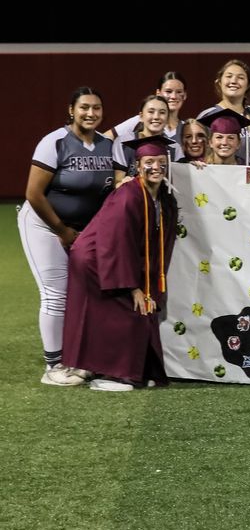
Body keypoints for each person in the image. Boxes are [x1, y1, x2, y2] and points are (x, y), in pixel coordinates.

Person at [61, 135, 179, 391]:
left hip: (116, 261)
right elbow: (115, 243)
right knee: (127, 311)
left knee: (144, 308)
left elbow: (157, 245)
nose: (156, 167)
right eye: (149, 161)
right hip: (95, 260)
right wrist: (132, 287)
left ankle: (138, 371)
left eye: (161, 161)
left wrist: (150, 286)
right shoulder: (127, 196)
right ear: (137, 165)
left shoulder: (166, 199)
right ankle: (120, 375)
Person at [19, 87, 114, 385]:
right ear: (71, 109)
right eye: (84, 107)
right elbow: (33, 193)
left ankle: (81, 358)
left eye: (97, 108)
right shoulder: (55, 141)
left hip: (80, 231)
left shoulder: (108, 145)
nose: (91, 113)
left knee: (86, 294)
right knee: (55, 295)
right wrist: (61, 231)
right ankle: (54, 366)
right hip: (44, 226)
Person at [196, 59, 250, 163]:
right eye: (229, 76)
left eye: (240, 78)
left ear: (248, 85)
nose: (233, 81)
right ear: (219, 82)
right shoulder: (206, 117)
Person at [106, 71, 188, 159]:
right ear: (158, 93)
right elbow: (106, 138)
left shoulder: (187, 128)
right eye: (168, 91)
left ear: (185, 95)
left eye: (179, 92)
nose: (174, 96)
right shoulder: (140, 120)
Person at [112, 94, 170, 184]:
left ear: (167, 118)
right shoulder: (123, 142)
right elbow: (117, 182)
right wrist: (125, 185)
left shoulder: (174, 146)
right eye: (151, 112)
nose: (156, 117)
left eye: (162, 112)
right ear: (141, 116)